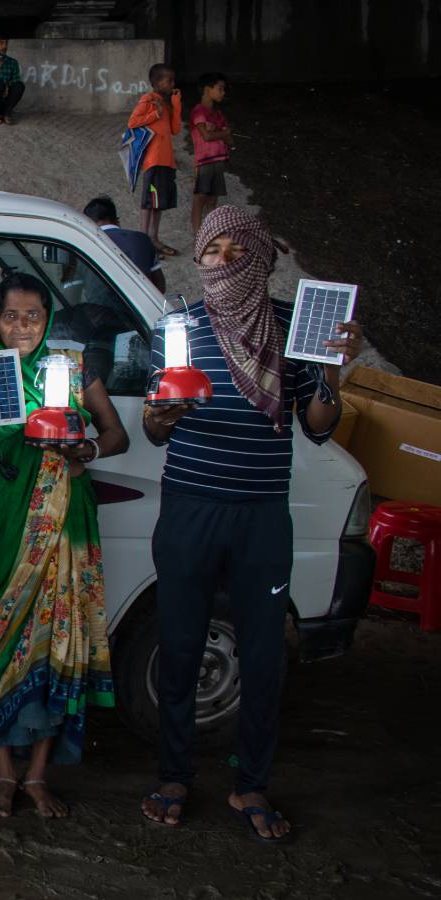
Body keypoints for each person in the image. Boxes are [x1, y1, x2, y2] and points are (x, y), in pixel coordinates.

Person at [139, 206, 361, 844]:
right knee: (180, 644)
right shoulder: (177, 326)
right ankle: (174, 774)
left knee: (264, 656)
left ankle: (251, 783)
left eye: (237, 250)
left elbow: (317, 426)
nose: (222, 262)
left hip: (263, 514)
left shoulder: (294, 327)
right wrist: (165, 412)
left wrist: (333, 371)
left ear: (262, 257)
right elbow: (156, 431)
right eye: (211, 250)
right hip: (190, 507)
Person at [0, 273, 125, 819]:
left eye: (32, 315)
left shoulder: (71, 371)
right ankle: (4, 773)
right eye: (10, 316)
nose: (21, 326)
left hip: (63, 523)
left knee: (57, 640)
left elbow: (116, 433)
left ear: (48, 319)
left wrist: (86, 450)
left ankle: (38, 775)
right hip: (0, 526)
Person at [128, 63, 183, 256]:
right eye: (169, 80)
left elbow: (175, 129)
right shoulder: (149, 99)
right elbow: (132, 122)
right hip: (153, 160)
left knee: (159, 202)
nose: (172, 84)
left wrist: (176, 104)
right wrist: (155, 113)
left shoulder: (166, 102)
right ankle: (144, 239)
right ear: (158, 82)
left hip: (167, 160)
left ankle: (154, 237)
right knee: (149, 201)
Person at [84, 196, 167, 292]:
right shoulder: (142, 239)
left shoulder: (86, 247)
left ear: (88, 223)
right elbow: (160, 286)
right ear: (117, 220)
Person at [189, 72, 234, 237]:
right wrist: (222, 132)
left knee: (212, 199)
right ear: (207, 90)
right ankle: (198, 235)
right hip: (204, 161)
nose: (223, 92)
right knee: (200, 197)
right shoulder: (199, 112)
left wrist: (220, 132)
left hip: (218, 160)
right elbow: (207, 136)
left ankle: (210, 233)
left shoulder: (218, 114)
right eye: (220, 89)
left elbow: (230, 140)